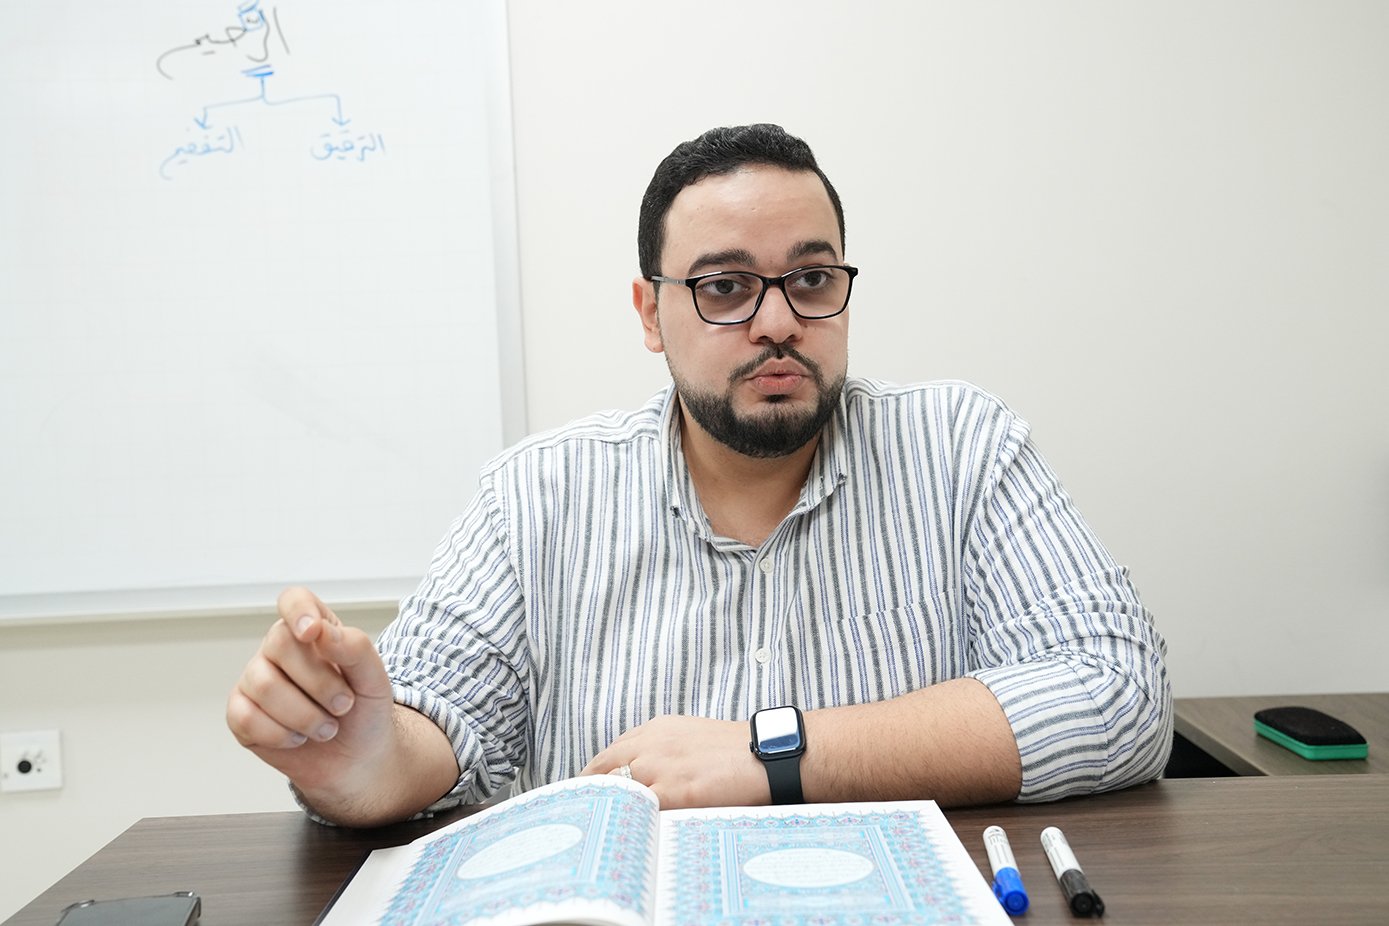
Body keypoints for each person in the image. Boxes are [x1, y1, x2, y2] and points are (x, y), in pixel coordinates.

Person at [227, 124, 1172, 828]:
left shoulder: (961, 447)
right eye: (725, 287)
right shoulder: (535, 495)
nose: (777, 322)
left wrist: (774, 752)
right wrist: (362, 758)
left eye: (811, 279)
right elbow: (439, 725)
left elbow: (1116, 694)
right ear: (650, 313)